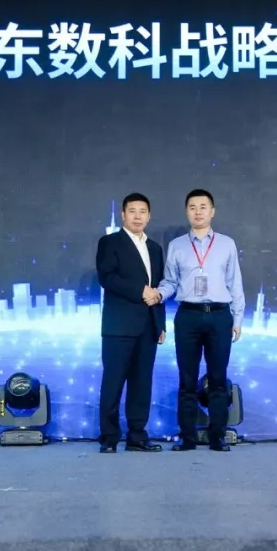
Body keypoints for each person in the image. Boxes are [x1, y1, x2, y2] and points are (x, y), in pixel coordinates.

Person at [156, 189, 244, 452]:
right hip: (188, 316)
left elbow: (235, 283)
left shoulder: (227, 244)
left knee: (218, 379)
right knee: (187, 379)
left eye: (203, 207)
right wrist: (158, 294)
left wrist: (237, 318)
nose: (198, 211)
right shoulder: (177, 245)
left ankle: (218, 437)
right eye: (192, 207)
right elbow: (170, 281)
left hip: (219, 316)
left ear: (212, 211)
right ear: (187, 212)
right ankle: (188, 438)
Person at [95, 192, 167, 454]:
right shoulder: (109, 242)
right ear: (123, 214)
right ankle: (109, 438)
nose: (138, 216)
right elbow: (107, 278)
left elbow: (158, 287)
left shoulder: (155, 248)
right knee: (113, 383)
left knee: (142, 384)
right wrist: (139, 291)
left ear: (149, 216)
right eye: (132, 211)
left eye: (142, 211)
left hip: (148, 327)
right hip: (118, 327)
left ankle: (137, 436)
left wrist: (160, 324)